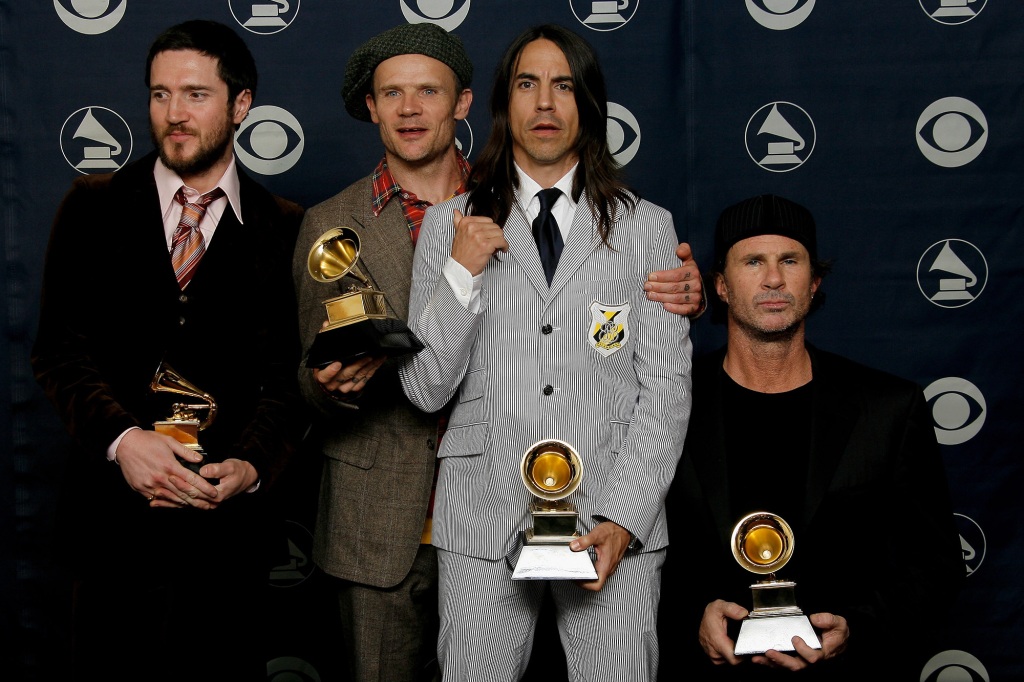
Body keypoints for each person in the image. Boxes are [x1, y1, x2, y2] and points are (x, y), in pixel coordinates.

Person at [293, 22, 703, 682]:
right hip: (481, 514)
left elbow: (667, 391)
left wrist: (624, 519)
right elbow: (426, 389)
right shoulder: (452, 226)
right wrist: (460, 272)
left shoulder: (646, 227)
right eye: (526, 84)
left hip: (610, 515)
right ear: (500, 104)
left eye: (563, 85)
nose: (544, 104)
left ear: (588, 103)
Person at [31, 20, 307, 680]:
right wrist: (125, 439)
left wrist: (250, 464)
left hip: (226, 540)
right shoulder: (91, 207)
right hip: (110, 533)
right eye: (159, 95)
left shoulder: (286, 228)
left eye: (194, 94)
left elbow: (286, 378)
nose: (173, 115)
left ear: (241, 104)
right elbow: (59, 352)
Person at [660, 194, 964, 680]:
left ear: (814, 281)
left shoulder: (888, 408)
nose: (774, 279)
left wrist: (856, 630)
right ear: (720, 285)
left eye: (790, 261)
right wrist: (689, 618)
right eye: (753, 261)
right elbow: (631, 545)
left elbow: (934, 563)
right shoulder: (665, 403)